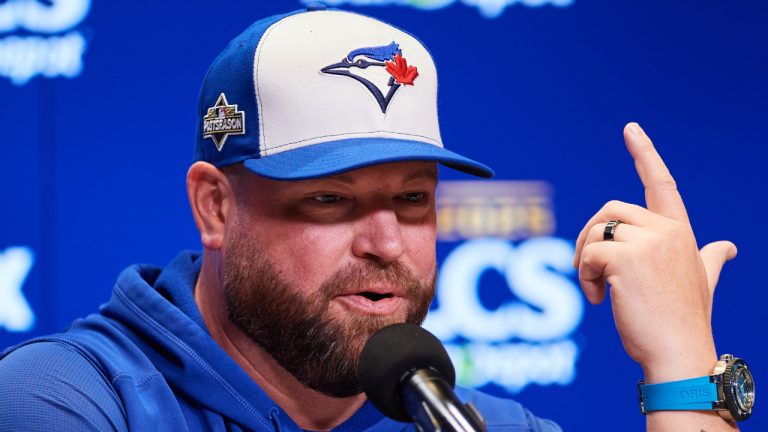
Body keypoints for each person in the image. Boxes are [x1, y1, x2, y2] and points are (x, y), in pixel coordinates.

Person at [0, 6, 744, 432]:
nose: (387, 243)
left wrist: (682, 375)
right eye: (329, 199)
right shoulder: (68, 402)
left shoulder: (481, 426)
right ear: (216, 206)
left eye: (413, 199)